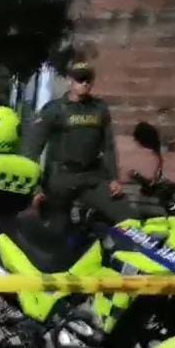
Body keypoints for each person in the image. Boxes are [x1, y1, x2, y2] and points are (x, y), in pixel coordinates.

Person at [21, 62, 133, 228]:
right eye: (80, 79)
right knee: (57, 228)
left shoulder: (99, 108)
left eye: (88, 80)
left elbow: (108, 146)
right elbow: (33, 148)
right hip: (61, 178)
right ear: (70, 81)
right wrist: (35, 188)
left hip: (92, 176)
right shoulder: (54, 109)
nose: (85, 83)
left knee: (127, 217)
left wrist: (114, 179)